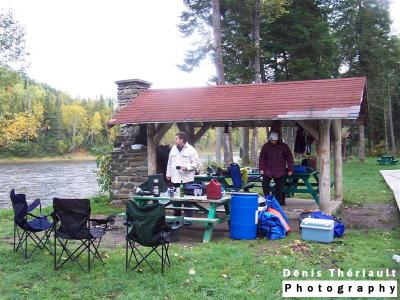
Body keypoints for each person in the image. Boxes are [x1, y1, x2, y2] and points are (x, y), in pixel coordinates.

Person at [166, 132, 200, 222]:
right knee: (175, 200)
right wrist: (168, 173)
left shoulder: (191, 150)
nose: (175, 140)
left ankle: (188, 220)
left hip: (186, 179)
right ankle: (176, 219)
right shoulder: (173, 149)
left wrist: (187, 167)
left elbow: (196, 163)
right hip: (175, 179)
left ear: (182, 140)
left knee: (187, 201)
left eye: (176, 138)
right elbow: (169, 162)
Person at [258, 131, 294, 205]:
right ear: (269, 140)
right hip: (268, 170)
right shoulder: (265, 146)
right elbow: (262, 158)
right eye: (272, 140)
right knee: (265, 185)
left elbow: (289, 158)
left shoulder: (284, 146)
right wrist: (261, 169)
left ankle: (277, 202)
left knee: (279, 188)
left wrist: (290, 169)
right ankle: (267, 199)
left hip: (279, 171)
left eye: (274, 140)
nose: (273, 142)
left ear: (277, 140)